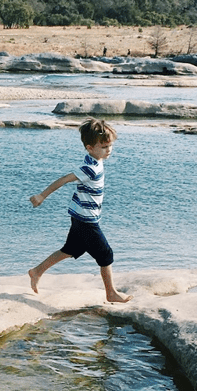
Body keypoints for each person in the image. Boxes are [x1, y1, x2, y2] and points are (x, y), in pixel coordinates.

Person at [28, 118, 132, 304]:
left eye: (110, 146)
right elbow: (64, 179)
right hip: (86, 220)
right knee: (106, 254)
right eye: (104, 147)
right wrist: (42, 196)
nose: (108, 150)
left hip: (80, 217)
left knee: (70, 250)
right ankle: (111, 293)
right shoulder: (89, 168)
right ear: (90, 147)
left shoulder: (95, 160)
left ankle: (36, 271)